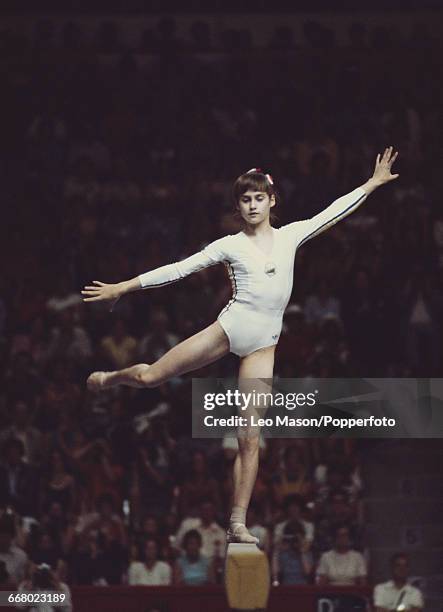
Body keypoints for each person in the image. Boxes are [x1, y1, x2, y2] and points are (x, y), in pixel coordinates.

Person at [82, 148, 399, 544]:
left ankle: (237, 521)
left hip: (263, 348)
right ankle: (113, 378)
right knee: (149, 377)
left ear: (272, 200)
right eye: (245, 200)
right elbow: (179, 270)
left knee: (251, 438)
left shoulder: (290, 236)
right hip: (228, 330)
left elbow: (333, 212)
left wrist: (371, 183)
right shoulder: (230, 245)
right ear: (238, 206)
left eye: (258, 199)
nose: (252, 206)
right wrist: (122, 287)